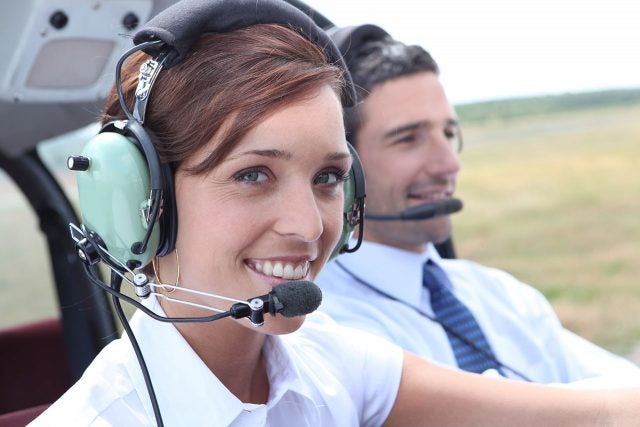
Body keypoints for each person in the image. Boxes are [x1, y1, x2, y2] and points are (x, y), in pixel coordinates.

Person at [31, 1, 640, 426]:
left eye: (327, 178)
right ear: (140, 202)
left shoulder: (327, 364)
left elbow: (604, 414)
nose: (307, 225)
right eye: (252, 175)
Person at [316, 23, 640, 383]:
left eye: (449, 133)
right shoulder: (329, 329)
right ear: (344, 168)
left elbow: (620, 390)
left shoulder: (503, 295)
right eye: (409, 139)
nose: (449, 164)